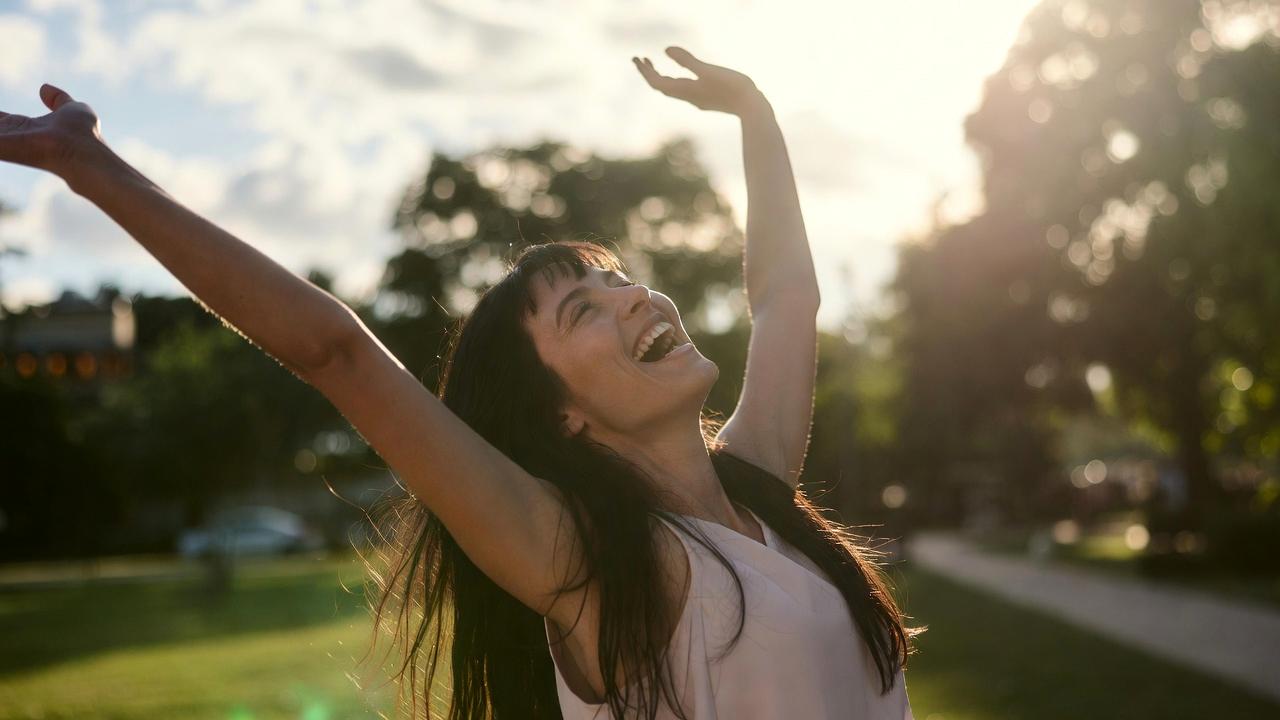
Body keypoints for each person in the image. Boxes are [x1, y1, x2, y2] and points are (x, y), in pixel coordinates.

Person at [0, 46, 917, 719]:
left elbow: (785, 296)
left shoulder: (759, 491)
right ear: (560, 415)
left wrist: (755, 113)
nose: (633, 298)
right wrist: (92, 168)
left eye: (618, 281)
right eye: (583, 311)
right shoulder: (588, 566)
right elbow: (338, 353)